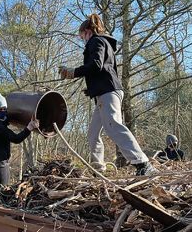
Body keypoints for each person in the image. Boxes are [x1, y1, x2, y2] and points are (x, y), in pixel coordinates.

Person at [59, 13, 156, 176]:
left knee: (113, 125)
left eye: (81, 35)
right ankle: (98, 169)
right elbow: (104, 70)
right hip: (104, 92)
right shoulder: (103, 43)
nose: (81, 38)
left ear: (87, 31)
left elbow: (96, 65)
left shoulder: (96, 41)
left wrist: (73, 72)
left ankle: (143, 164)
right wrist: (91, 89)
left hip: (108, 92)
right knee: (92, 133)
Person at [0, 92, 39, 186]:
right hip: (0, 163)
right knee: (2, 189)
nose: (3, 111)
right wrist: (29, 127)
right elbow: (16, 139)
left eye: (5, 109)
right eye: (0, 109)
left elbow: (4, 119)